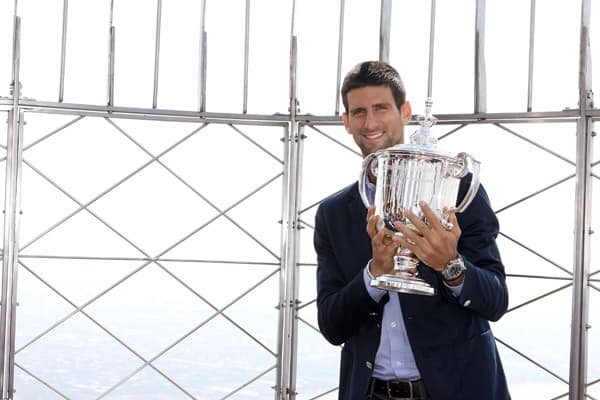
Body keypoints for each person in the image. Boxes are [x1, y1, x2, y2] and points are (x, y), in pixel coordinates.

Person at [314, 61, 510, 400]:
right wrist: (374, 274)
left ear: (405, 112)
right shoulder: (334, 213)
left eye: (381, 108)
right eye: (358, 112)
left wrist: (450, 265)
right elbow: (332, 326)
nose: (370, 122)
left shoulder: (459, 189)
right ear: (346, 123)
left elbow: (495, 301)